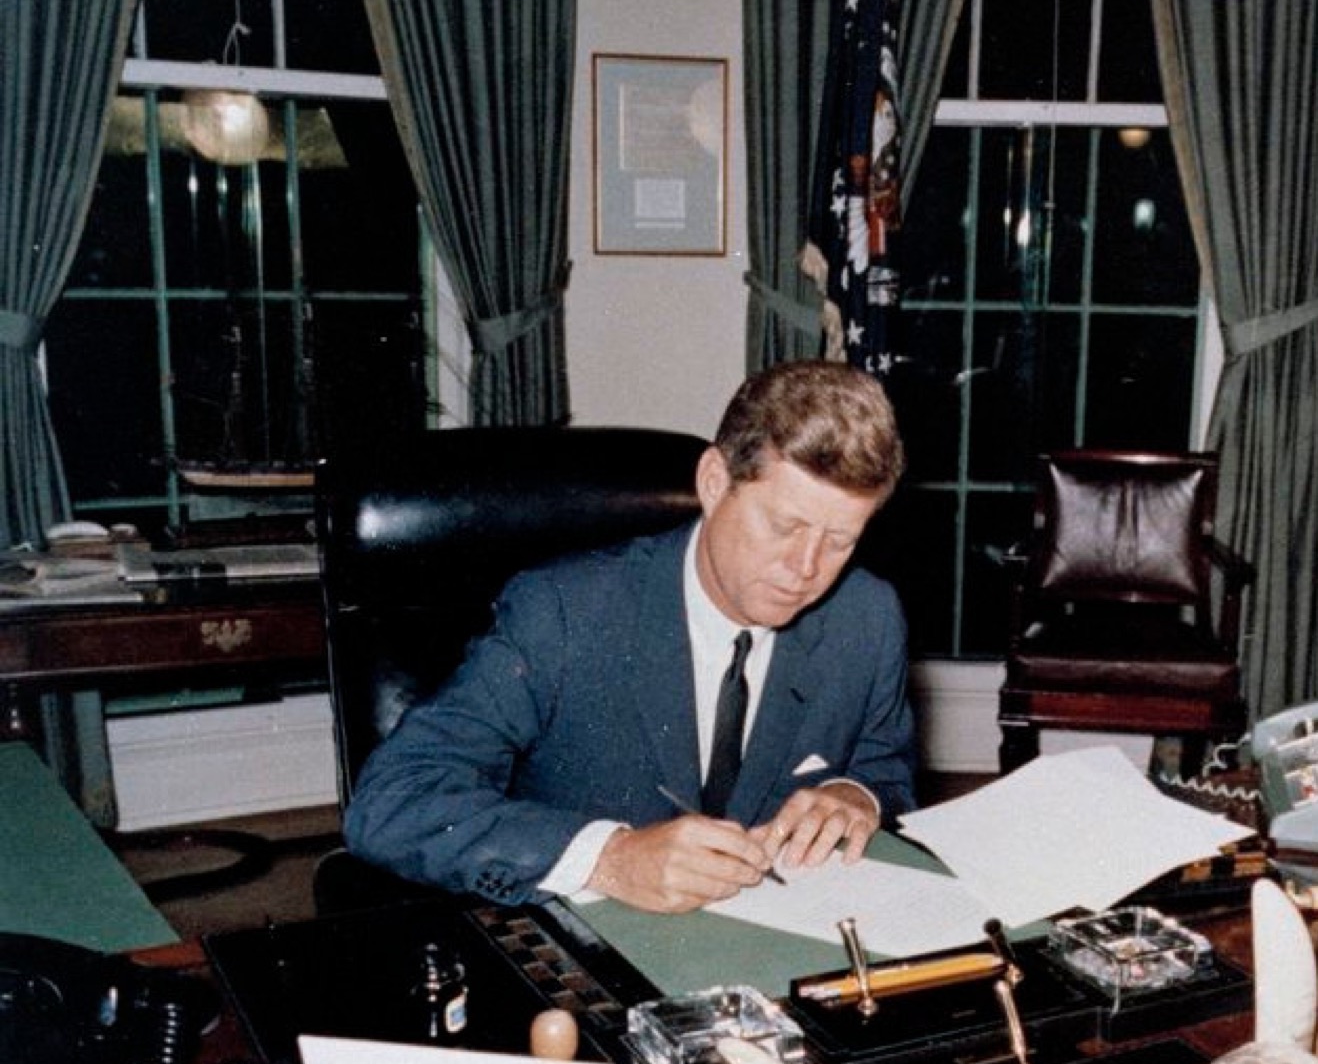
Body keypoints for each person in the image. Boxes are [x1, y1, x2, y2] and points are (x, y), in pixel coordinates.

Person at [342, 359, 916, 913]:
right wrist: (610, 858)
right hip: (590, 948)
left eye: (839, 540)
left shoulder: (866, 617)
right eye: (784, 526)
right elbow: (392, 801)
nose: (806, 568)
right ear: (715, 482)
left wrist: (853, 798)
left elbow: (883, 770)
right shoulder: (563, 612)